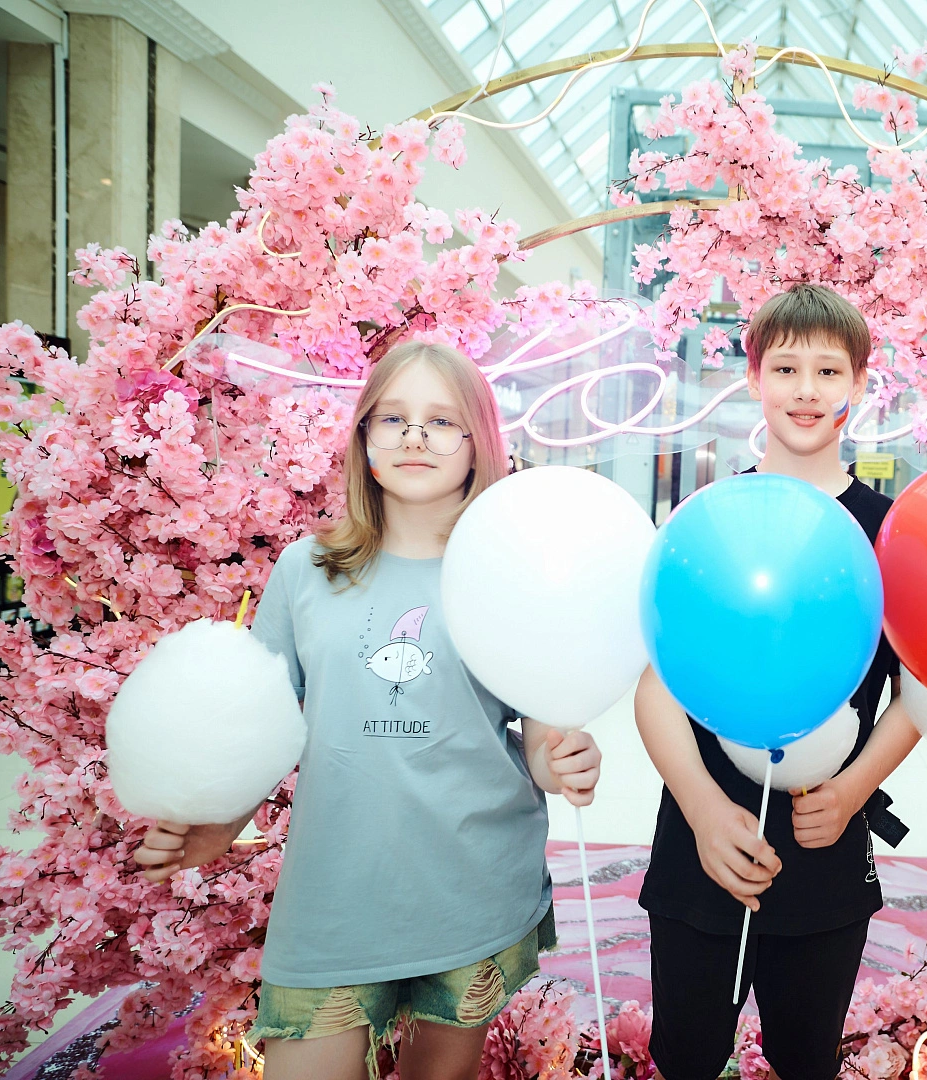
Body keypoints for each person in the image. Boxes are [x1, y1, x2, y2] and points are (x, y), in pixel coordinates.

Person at [132, 342, 601, 1080]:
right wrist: (215, 821)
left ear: (478, 443)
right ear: (364, 438)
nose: (415, 436)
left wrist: (563, 760)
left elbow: (541, 736)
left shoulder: (507, 575)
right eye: (393, 418)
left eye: (441, 421)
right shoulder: (305, 570)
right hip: (333, 894)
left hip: (470, 886)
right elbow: (256, 726)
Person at [635, 284, 919, 1080]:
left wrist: (854, 788)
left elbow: (915, 694)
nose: (805, 390)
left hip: (826, 837)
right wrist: (702, 810)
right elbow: (656, 686)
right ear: (754, 377)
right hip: (701, 840)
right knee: (687, 1055)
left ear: (859, 383)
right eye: (786, 368)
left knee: (806, 1054)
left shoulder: (892, 532)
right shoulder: (707, 516)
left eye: (828, 371)